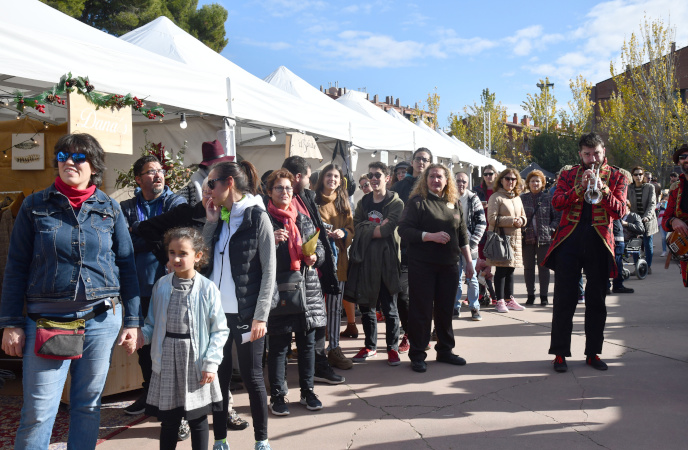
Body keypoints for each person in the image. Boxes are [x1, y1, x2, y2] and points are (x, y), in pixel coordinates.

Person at [0, 133, 142, 449]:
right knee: (38, 411)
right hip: (48, 322)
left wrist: (133, 321)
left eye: (78, 157)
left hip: (101, 320)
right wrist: (11, 322)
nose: (69, 162)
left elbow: (127, 267)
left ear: (94, 165)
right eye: (63, 156)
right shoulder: (34, 207)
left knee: (88, 407)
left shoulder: (109, 209)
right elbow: (16, 267)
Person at [136, 179, 249, 432]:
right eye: (206, 184)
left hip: (214, 291)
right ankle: (183, 417)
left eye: (215, 184)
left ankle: (224, 408)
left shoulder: (230, 214)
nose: (210, 190)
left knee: (214, 356)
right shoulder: (185, 213)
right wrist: (167, 258)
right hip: (182, 289)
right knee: (181, 363)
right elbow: (146, 228)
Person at [204, 160, 275, 450]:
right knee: (218, 377)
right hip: (216, 315)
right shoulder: (219, 217)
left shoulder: (257, 216)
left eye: (211, 183)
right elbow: (203, 259)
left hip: (247, 313)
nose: (208, 189)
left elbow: (269, 270)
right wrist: (209, 222)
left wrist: (261, 316)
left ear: (228, 183)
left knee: (252, 376)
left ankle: (261, 440)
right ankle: (220, 439)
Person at [138, 227, 229, 450]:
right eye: (172, 252)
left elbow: (219, 330)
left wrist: (211, 363)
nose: (176, 258)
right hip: (167, 358)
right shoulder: (161, 286)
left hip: (196, 360)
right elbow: (151, 324)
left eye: (183, 253)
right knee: (169, 420)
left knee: (197, 419)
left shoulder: (208, 289)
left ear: (197, 256)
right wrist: (140, 336)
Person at [544, 132, 627, 373]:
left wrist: (604, 190)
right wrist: (580, 189)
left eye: (596, 153)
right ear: (580, 154)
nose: (592, 159)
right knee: (564, 299)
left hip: (599, 243)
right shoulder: (569, 175)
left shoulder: (618, 176)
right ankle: (559, 353)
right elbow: (557, 202)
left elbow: (620, 212)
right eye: (587, 154)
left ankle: (593, 352)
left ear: (604, 153)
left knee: (596, 301)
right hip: (570, 241)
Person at [120, 155, 187, 417]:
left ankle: (173, 399)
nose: (158, 175)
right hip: (138, 287)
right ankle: (149, 394)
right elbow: (123, 244)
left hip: (170, 287)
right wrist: (153, 237)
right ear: (138, 179)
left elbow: (178, 241)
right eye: (151, 172)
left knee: (172, 343)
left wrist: (140, 233)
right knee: (143, 345)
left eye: (160, 171)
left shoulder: (175, 203)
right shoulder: (126, 207)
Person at [399, 164, 475, 373]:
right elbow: (404, 229)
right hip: (422, 265)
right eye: (431, 176)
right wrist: (429, 237)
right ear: (425, 180)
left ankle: (445, 350)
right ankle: (417, 353)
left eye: (439, 177)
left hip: (449, 266)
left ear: (446, 180)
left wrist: (468, 261)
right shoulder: (417, 202)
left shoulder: (454, 202)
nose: (435, 180)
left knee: (445, 310)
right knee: (421, 310)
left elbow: (462, 235)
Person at [264, 169, 326, 416]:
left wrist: (315, 256)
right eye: (279, 188)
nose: (285, 192)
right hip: (279, 291)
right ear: (270, 192)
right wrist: (272, 241)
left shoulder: (303, 218)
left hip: (306, 288)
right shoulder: (264, 220)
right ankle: (278, 395)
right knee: (279, 346)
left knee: (307, 344)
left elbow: (319, 246)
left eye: (288, 188)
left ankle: (307, 391)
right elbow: (253, 257)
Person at [281, 156, 344, 385]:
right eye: (308, 176)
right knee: (284, 331)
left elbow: (315, 232)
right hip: (286, 278)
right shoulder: (273, 201)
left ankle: (317, 368)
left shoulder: (307, 197)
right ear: (299, 176)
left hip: (312, 275)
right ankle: (280, 382)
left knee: (316, 327)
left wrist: (319, 257)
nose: (310, 181)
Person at [346, 162, 404, 366]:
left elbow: (385, 232)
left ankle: (392, 348)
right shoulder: (363, 202)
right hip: (365, 261)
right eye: (371, 175)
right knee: (367, 307)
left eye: (378, 175)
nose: (373, 178)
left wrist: (368, 228)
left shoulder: (396, 203)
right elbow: (357, 226)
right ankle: (370, 346)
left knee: (390, 308)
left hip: (388, 262)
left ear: (387, 178)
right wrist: (375, 227)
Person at [314, 164, 355, 370]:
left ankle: (335, 348)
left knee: (334, 308)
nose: (332, 179)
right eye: (329, 175)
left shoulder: (344, 203)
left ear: (340, 181)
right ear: (322, 178)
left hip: (338, 261)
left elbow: (350, 229)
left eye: (336, 176)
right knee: (315, 307)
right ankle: (316, 349)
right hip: (317, 263)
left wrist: (343, 233)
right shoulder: (312, 201)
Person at [391, 147, 432, 353]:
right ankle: (408, 332)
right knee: (403, 294)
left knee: (425, 295)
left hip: (430, 248)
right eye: (418, 159)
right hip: (405, 247)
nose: (421, 162)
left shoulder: (435, 184)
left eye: (425, 159)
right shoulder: (400, 186)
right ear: (413, 162)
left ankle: (424, 334)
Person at [486, 169, 527, 313]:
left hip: (515, 239)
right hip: (501, 239)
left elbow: (524, 216)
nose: (510, 181)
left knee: (511, 270)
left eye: (514, 179)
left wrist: (521, 220)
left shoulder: (517, 197)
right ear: (501, 180)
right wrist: (512, 221)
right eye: (507, 178)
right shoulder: (496, 197)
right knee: (501, 270)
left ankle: (509, 299)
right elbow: (491, 219)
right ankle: (500, 300)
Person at [520, 170, 558, 306]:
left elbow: (557, 218)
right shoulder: (522, 198)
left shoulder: (548, 198)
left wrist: (550, 229)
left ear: (542, 183)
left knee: (544, 269)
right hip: (527, 239)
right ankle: (530, 295)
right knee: (528, 268)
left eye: (538, 181)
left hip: (544, 239)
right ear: (528, 183)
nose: (535, 183)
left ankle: (544, 296)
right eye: (532, 181)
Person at [454, 171, 486, 321]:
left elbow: (482, 223)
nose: (460, 184)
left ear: (468, 184)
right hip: (452, 247)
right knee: (455, 278)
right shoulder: (448, 198)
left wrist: (472, 243)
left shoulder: (473, 198)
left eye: (463, 181)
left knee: (471, 277)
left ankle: (474, 307)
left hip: (469, 245)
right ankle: (455, 306)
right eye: (458, 181)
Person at [661, 144, 688, 286]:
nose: (687, 159)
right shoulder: (676, 188)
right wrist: (674, 221)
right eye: (683, 157)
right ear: (679, 162)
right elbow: (665, 219)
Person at [177, 140, 233, 206]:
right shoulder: (189, 191)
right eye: (218, 165)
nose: (223, 168)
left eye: (223, 164)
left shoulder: (228, 184)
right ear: (209, 166)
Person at [628, 166, 657, 274]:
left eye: (640, 174)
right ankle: (637, 267)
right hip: (635, 221)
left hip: (647, 220)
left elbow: (652, 203)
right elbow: (626, 203)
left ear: (643, 175)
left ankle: (647, 266)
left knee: (647, 244)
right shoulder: (629, 188)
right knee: (634, 244)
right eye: (636, 174)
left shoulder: (650, 187)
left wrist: (647, 217)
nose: (638, 176)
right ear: (632, 176)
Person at [612, 199, 643, 294]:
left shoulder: (634, 216)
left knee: (617, 260)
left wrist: (627, 224)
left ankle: (617, 283)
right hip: (616, 241)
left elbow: (641, 229)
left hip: (629, 241)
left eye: (623, 207)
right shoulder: (615, 216)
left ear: (628, 207)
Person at [658, 190, 669, 257]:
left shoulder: (671, 203)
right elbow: (656, 207)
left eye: (667, 196)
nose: (666, 197)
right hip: (661, 222)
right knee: (663, 237)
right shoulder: (661, 203)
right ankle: (664, 251)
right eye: (665, 196)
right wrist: (660, 203)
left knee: (669, 238)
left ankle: (671, 252)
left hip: (668, 222)